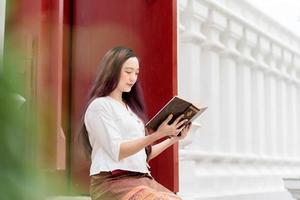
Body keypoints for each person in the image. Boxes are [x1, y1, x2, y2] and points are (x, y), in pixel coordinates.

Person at [80, 46, 192, 200]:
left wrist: (173, 138)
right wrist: (158, 134)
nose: (133, 78)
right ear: (112, 70)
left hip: (142, 180)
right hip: (113, 181)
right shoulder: (99, 106)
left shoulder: (130, 111)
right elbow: (118, 151)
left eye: (136, 73)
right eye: (128, 72)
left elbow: (144, 154)